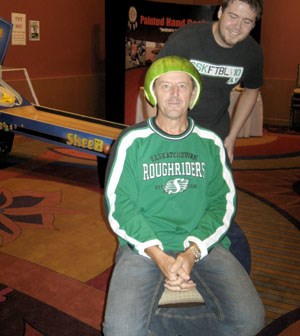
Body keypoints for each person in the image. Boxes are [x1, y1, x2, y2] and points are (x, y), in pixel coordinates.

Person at [102, 56, 264, 336]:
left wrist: (192, 252)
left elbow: (222, 204)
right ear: (153, 93)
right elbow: (120, 207)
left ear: (193, 93)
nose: (174, 94)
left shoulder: (210, 143)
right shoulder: (131, 141)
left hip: (202, 245)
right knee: (120, 330)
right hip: (142, 247)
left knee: (250, 321)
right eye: (165, 86)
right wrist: (158, 255)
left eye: (182, 86)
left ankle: (154, 325)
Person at [157, 0, 264, 163]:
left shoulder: (252, 53)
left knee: (212, 190)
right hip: (174, 130)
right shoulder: (186, 40)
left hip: (215, 134)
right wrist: (157, 133)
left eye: (247, 21)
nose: (237, 27)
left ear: (253, 24)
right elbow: (153, 84)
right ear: (220, 12)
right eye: (233, 16)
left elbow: (252, 91)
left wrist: (232, 138)